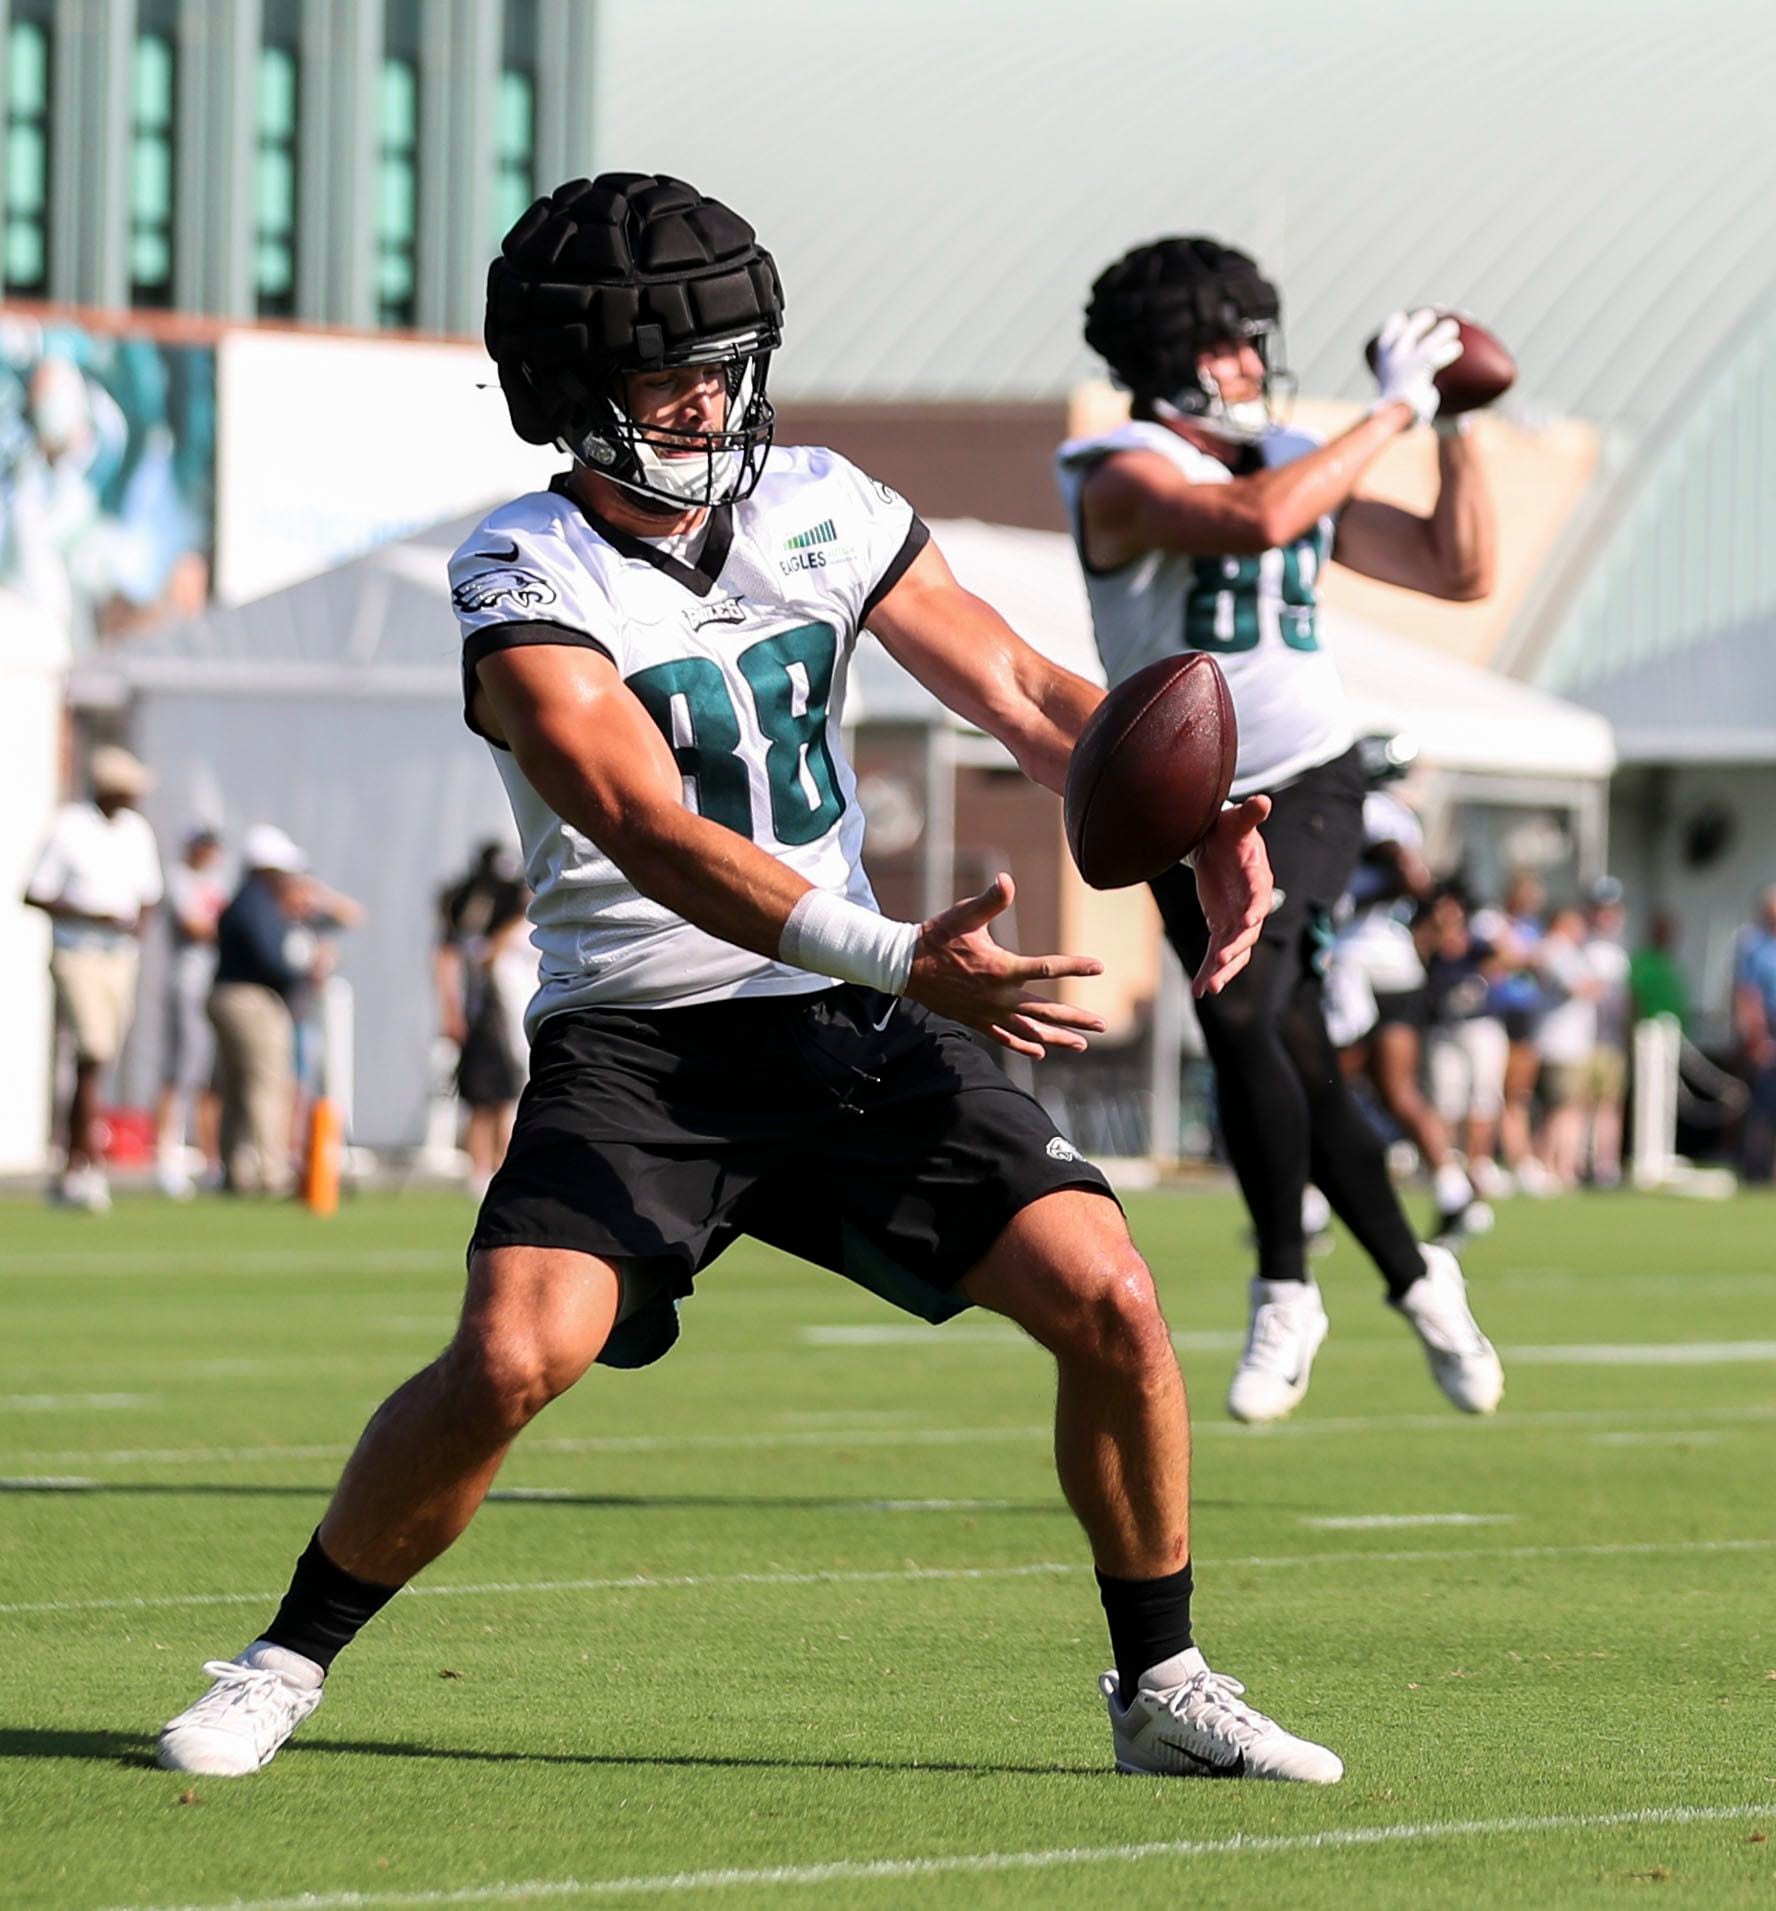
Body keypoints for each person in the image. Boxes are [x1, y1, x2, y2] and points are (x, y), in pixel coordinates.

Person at [157, 173, 1340, 1787]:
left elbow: (1014, 679)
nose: (710, 394)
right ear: (572, 395)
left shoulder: (821, 499)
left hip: (849, 1026)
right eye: (668, 372)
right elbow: (644, 823)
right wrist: (898, 955)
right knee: (512, 1357)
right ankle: (282, 1660)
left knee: (1114, 1300)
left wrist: (1194, 817)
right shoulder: (521, 571)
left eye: (728, 354)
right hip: (644, 1040)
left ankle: (1160, 1684)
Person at [1056, 237, 1503, 1424]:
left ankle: (1285, 1285)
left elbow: (1458, 570)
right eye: (1229, 341)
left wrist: (1451, 426)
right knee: (1292, 1052)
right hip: (1177, 806)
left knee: (1242, 1009)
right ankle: (1419, 1278)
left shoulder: (1300, 459)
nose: (1256, 361)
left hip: (1304, 778)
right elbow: (1253, 521)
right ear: (1170, 359)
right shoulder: (1116, 468)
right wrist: (1396, 408)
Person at [1327, 735, 1490, 1243]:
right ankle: (1454, 1192)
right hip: (1396, 961)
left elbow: (1403, 867)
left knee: (1319, 1084)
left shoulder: (1374, 810)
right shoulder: (1400, 813)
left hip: (1359, 959)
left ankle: (1304, 1210)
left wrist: (1369, 897)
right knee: (1399, 1092)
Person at [23, 744, 164, 1212]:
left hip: (120, 958)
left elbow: (148, 895)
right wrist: (92, 916)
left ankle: (72, 1163)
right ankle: (86, 1165)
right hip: (78, 952)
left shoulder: (137, 832)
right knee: (93, 1051)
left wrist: (135, 926)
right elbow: (35, 893)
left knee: (96, 1063)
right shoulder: (69, 827)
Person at [207, 825, 322, 1196]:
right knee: (266, 1084)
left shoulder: (243, 901)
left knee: (238, 1086)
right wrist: (303, 970)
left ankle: (237, 1170)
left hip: (227, 994)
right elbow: (272, 959)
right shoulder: (257, 905)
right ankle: (269, 1171)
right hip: (252, 1000)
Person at [434, 842, 530, 1193]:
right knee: (486, 1096)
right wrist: (453, 1010)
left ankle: (505, 1168)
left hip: (516, 1018)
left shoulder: (526, 918)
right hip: (489, 1016)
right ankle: (481, 1175)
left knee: (511, 1096)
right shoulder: (476, 924)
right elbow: (462, 957)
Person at [154, 825, 227, 1198]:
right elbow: (195, 926)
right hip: (188, 986)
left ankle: (211, 1161)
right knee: (182, 1071)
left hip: (217, 986)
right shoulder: (178, 878)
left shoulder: (218, 881)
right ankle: (168, 1157)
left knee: (211, 1079)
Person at [1731, 886, 1776, 1182]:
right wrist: (1756, 1036)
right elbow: (1746, 993)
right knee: (1764, 1102)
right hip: (1767, 1028)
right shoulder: (1752, 943)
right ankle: (1757, 1170)